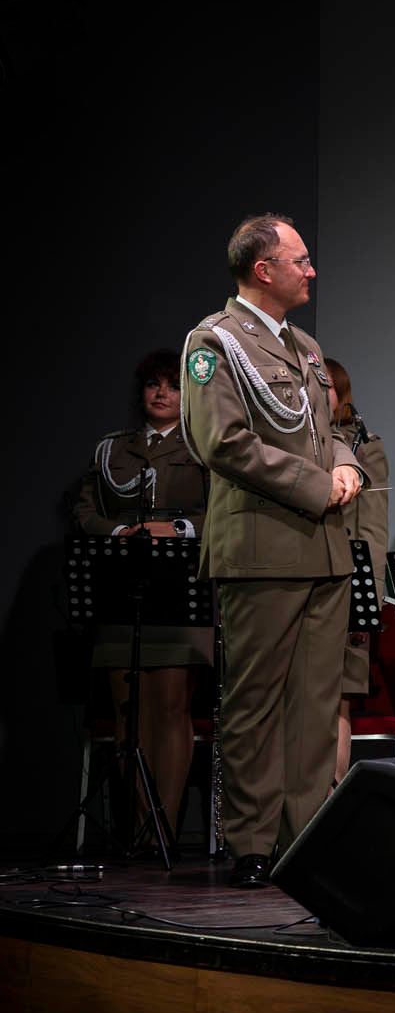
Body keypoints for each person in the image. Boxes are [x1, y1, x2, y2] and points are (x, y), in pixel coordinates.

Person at [181, 214, 363, 887]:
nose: (311, 270)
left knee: (315, 705)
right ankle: (253, 842)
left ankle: (302, 837)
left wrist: (345, 464)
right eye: (300, 260)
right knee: (255, 701)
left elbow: (327, 429)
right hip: (262, 547)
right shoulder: (215, 342)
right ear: (264, 270)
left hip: (323, 548)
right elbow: (221, 442)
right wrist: (318, 484)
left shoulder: (305, 346)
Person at [72, 349, 211, 848]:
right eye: (153, 384)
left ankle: (162, 829)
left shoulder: (203, 447)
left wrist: (177, 528)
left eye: (172, 386)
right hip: (120, 590)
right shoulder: (112, 448)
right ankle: (136, 829)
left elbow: (221, 511)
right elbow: (85, 510)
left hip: (180, 590)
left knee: (170, 708)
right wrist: (118, 532)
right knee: (128, 711)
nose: (161, 394)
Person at [326, 359, 389, 783]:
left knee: (337, 700)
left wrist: (370, 601)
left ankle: (330, 801)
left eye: (329, 387)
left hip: (348, 587)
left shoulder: (365, 445)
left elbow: (374, 532)